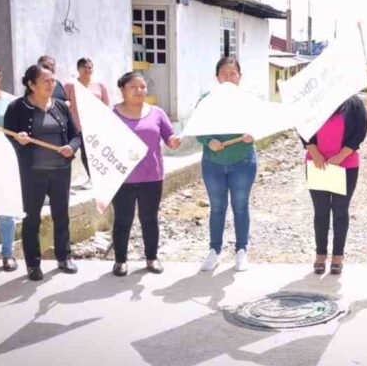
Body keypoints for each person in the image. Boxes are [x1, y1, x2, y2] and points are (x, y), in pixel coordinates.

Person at [4, 65, 81, 280]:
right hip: (32, 174)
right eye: (46, 80)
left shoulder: (61, 107)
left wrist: (71, 148)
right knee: (31, 218)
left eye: (53, 80)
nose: (52, 84)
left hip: (60, 171)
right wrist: (18, 139)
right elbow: (7, 139)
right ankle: (33, 263)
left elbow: (76, 136)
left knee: (61, 216)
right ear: (31, 84)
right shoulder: (17, 108)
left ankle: (64, 257)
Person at [111, 71, 180, 276]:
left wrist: (174, 141)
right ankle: (120, 261)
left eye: (142, 87)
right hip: (123, 177)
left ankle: (152, 258)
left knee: (149, 219)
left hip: (152, 176)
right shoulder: (111, 114)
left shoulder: (157, 113)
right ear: (122, 90)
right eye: (134, 87)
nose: (140, 91)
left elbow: (169, 137)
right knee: (123, 219)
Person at [197, 57, 257, 272]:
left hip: (243, 162)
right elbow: (197, 128)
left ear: (240, 77)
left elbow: (259, 123)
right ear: (217, 77)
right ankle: (214, 250)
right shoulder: (206, 99)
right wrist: (207, 141)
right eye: (224, 74)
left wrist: (253, 134)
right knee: (217, 207)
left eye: (233, 73)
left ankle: (241, 251)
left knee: (240, 206)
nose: (229, 77)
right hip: (213, 163)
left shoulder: (249, 99)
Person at [302, 95, 367, 275]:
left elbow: (360, 131)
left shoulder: (354, 102)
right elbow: (302, 125)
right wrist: (313, 151)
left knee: (340, 210)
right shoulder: (312, 99)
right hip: (317, 163)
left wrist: (341, 156)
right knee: (321, 211)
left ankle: (338, 256)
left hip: (345, 164)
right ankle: (320, 255)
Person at [0, 58, 18, 271]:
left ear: (0, 75)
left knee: (6, 211)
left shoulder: (12, 102)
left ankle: (8, 253)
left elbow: (20, 131)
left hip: (5, 163)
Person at [64, 57, 110, 188]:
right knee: (68, 152)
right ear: (78, 69)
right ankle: (65, 182)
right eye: (84, 67)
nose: (87, 70)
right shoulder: (70, 85)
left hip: (95, 126)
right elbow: (64, 103)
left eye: (90, 67)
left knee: (90, 153)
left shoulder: (100, 85)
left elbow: (106, 106)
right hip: (75, 125)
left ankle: (93, 179)